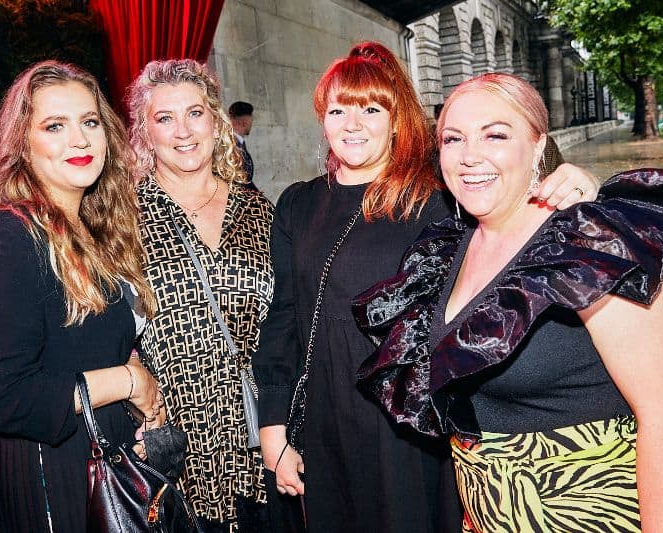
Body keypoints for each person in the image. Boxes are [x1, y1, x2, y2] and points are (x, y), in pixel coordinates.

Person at [253, 42, 602, 533]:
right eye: (338, 110)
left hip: (408, 428)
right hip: (324, 421)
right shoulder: (297, 204)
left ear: (396, 119)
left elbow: (515, 215)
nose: (352, 125)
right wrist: (273, 426)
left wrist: (577, 185)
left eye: (371, 110)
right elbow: (285, 318)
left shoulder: (441, 198)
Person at [354, 72, 663, 532]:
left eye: (495, 135)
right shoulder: (448, 247)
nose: (470, 155)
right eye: (453, 138)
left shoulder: (592, 242)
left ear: (538, 146)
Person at [0, 60, 164, 532]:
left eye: (89, 122)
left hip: (103, 464)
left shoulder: (92, 230)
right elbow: (2, 396)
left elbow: (84, 347)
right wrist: (129, 382)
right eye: (55, 126)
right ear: (23, 143)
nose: (79, 140)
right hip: (53, 479)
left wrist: (139, 402)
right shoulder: (9, 237)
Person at [127, 59, 274, 532]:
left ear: (215, 120)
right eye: (164, 118)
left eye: (194, 113)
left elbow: (287, 321)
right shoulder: (122, 220)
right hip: (175, 449)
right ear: (145, 132)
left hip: (266, 438)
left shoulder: (257, 210)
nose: (183, 131)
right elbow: (101, 328)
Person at [228, 101, 257, 191]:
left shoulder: (236, 143)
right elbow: (242, 181)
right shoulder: (230, 146)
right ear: (245, 122)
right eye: (251, 120)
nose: (251, 124)